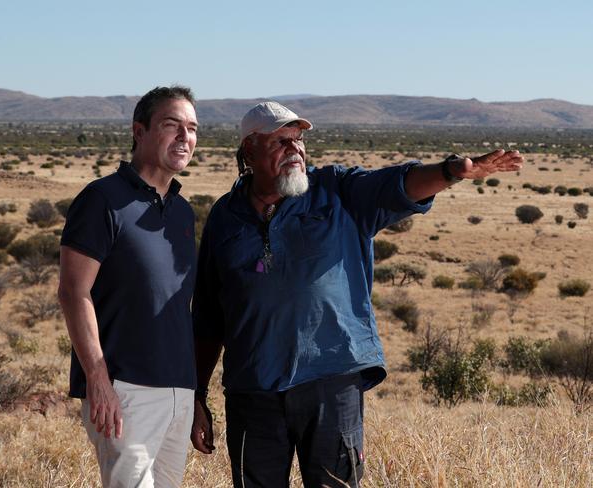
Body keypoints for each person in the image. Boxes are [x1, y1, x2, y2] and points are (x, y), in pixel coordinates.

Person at [190, 101, 523, 487]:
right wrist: (197, 394)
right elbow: (209, 318)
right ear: (249, 149)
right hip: (253, 390)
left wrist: (450, 171)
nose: (295, 150)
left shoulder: (337, 191)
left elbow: (398, 184)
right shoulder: (225, 217)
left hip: (331, 380)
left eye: (298, 141)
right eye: (281, 142)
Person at [58, 85, 199, 487]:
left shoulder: (182, 211)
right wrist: (98, 381)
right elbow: (73, 292)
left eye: (191, 128)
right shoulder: (102, 200)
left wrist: (193, 395)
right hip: (125, 390)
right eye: (172, 125)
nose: (184, 137)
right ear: (139, 131)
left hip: (178, 390)